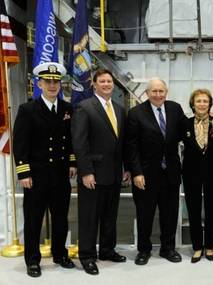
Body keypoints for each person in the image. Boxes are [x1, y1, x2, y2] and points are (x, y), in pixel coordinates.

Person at [13, 62, 76, 277]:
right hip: (36, 176)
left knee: (60, 218)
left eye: (56, 81)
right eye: (48, 81)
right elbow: (20, 143)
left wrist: (72, 162)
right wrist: (24, 172)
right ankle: (32, 260)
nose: (52, 85)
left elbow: (71, 141)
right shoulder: (27, 109)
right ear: (39, 83)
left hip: (60, 175)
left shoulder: (67, 109)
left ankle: (60, 254)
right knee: (33, 220)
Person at [72, 68, 130, 275]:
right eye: (102, 81)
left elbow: (121, 143)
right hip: (93, 174)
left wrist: (126, 168)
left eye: (109, 81)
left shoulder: (119, 108)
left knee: (109, 215)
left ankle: (107, 250)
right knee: (89, 217)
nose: (106, 84)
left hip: (114, 173)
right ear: (94, 84)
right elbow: (80, 143)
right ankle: (87, 256)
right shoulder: (84, 107)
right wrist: (86, 172)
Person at [125, 78, 186, 265]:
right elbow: (131, 146)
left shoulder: (175, 109)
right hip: (145, 174)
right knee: (145, 214)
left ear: (166, 92)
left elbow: (186, 131)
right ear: (147, 93)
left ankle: (168, 248)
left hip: (171, 173)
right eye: (154, 91)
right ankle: (144, 250)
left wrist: (208, 118)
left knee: (170, 213)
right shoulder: (136, 113)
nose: (158, 95)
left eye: (161, 91)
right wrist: (136, 172)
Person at [182, 89, 213, 263]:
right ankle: (197, 247)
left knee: (212, 210)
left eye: (205, 101)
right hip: (191, 173)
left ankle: (210, 246)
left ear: (210, 104)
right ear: (193, 104)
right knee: (193, 210)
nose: (201, 104)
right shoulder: (185, 124)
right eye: (198, 101)